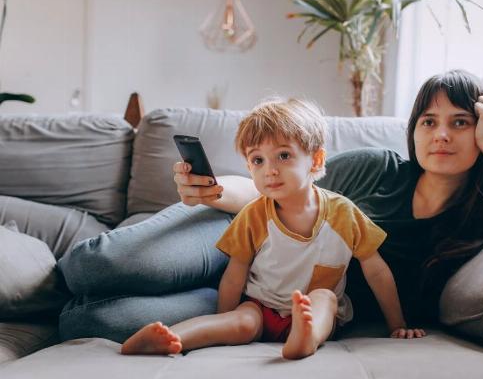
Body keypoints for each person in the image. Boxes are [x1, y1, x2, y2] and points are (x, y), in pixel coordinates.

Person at [57, 70, 483, 342]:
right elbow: (278, 184)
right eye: (429, 120)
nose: (441, 134)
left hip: (275, 305)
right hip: (241, 231)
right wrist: (218, 192)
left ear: (481, 131)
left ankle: (55, 313)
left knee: (90, 322)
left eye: (460, 122)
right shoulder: (378, 168)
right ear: (414, 130)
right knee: (94, 265)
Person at [120, 98, 425, 359]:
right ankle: (170, 338)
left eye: (283, 155)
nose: (271, 170)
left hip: (316, 315)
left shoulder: (344, 214)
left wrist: (396, 324)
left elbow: (377, 272)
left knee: (325, 298)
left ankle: (306, 337)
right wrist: (225, 315)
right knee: (242, 320)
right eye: (258, 160)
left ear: (315, 159)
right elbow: (233, 277)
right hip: (262, 307)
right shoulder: (254, 215)